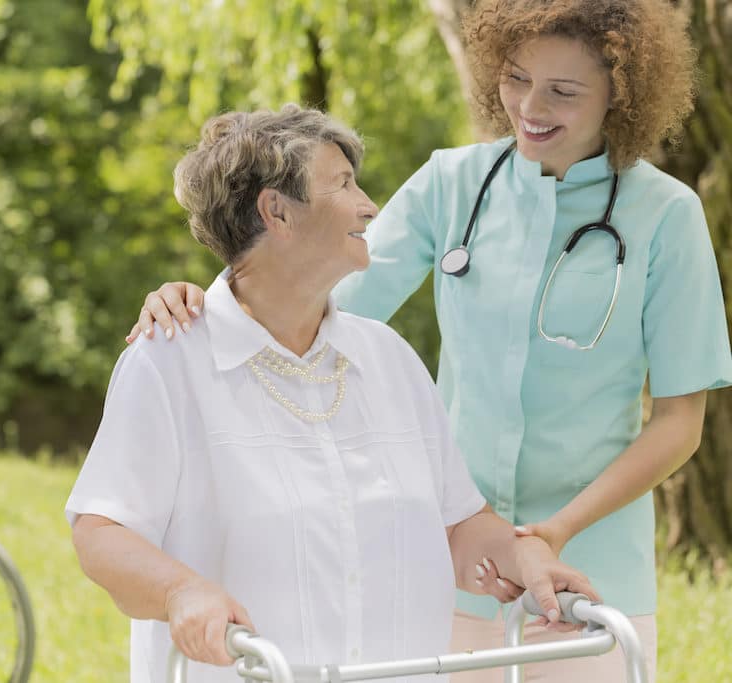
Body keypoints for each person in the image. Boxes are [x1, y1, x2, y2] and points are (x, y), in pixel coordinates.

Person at [124, 1, 732, 681]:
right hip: (452, 556)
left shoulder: (668, 216)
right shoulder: (453, 183)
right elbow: (307, 290)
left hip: (593, 565)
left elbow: (680, 422)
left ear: (621, 95)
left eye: (563, 91)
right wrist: (204, 302)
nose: (530, 105)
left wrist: (553, 530)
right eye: (515, 77)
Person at [68, 105, 597, 683]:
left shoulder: (388, 358)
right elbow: (101, 532)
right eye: (344, 184)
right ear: (277, 211)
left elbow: (458, 526)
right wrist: (180, 592)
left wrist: (524, 556)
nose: (369, 205)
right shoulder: (169, 360)